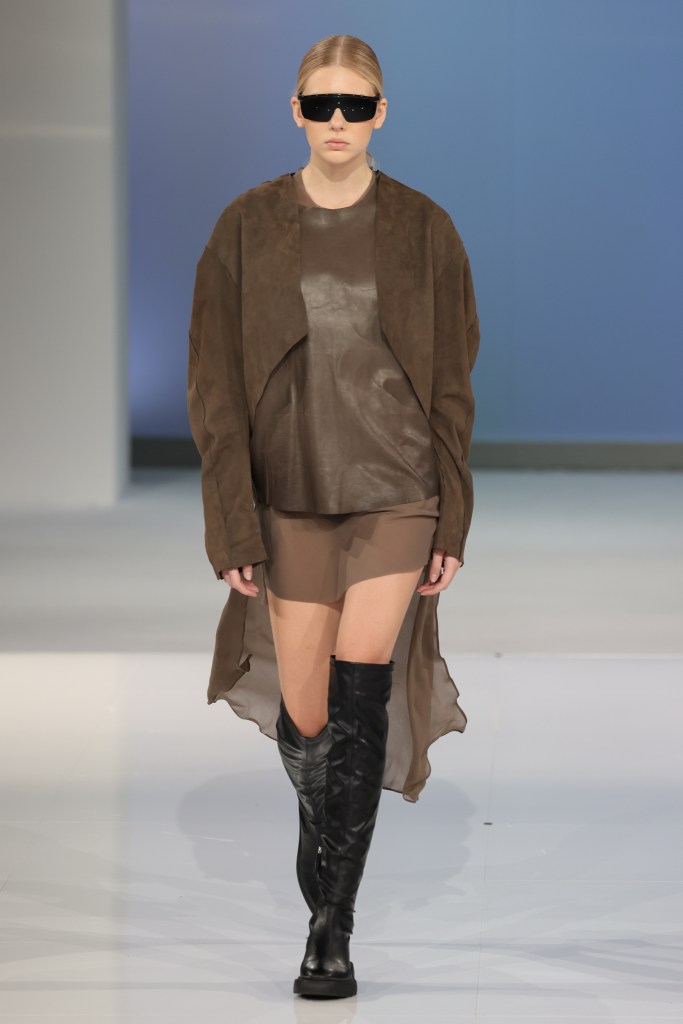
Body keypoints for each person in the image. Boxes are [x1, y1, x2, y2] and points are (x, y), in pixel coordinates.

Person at [187, 33, 480, 1001]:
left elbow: (452, 381)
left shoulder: (424, 229)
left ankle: (331, 926)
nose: (339, 121)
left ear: (381, 113)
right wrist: (231, 519)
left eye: (356, 105)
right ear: (296, 111)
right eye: (322, 105)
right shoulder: (246, 226)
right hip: (290, 492)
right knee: (307, 719)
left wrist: (449, 514)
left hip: (397, 487)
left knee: (361, 698)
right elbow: (213, 385)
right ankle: (325, 831)